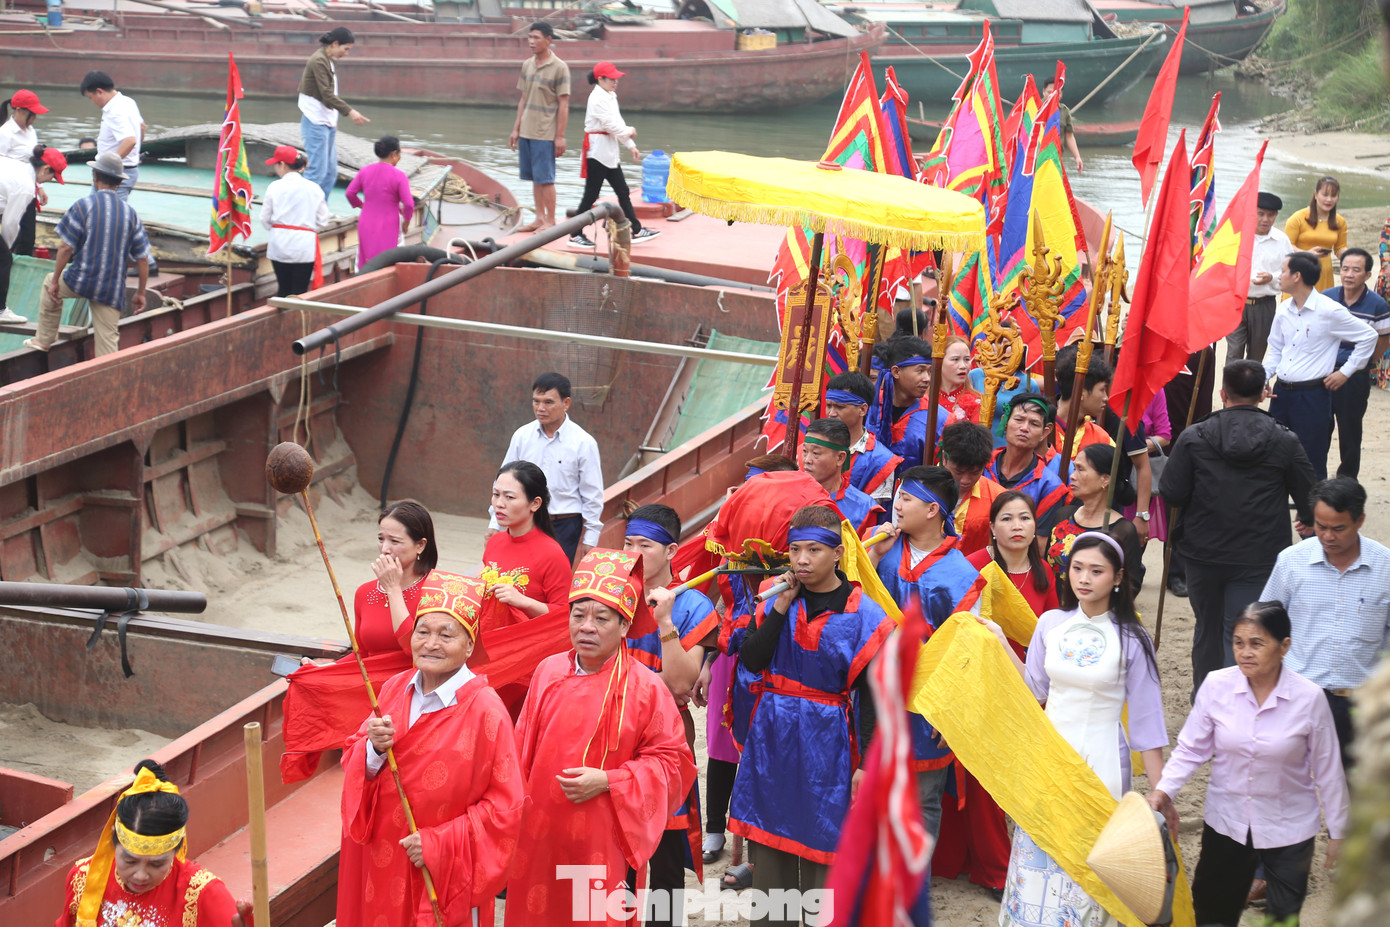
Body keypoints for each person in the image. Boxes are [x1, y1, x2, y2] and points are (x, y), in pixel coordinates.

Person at [505, 549, 696, 926]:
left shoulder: (645, 687)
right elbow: (519, 749)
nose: (586, 627)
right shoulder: (548, 671)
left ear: (625, 626)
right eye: (578, 615)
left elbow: (673, 764)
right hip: (539, 833)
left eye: (601, 618)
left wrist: (611, 781)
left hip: (604, 836)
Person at [730, 505, 895, 924]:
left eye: (814, 551)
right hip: (772, 730)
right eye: (795, 550)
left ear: (838, 553)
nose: (802, 560)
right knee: (771, 835)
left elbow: (874, 694)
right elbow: (751, 657)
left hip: (828, 737)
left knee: (828, 835)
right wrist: (782, 606)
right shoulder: (772, 597)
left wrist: (866, 763)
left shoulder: (865, 614)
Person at [997, 532, 1168, 927]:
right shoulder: (1050, 624)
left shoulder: (1133, 637)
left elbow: (1147, 723)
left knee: (1088, 861)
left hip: (1102, 761)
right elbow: (1034, 690)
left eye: (1096, 570)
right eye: (1077, 568)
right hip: (1049, 757)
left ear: (1119, 577)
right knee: (1037, 852)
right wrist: (999, 643)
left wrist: (1160, 794)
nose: (1084, 578)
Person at [340, 572, 525, 927]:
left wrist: (440, 844)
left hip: (442, 868)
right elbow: (354, 757)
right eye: (422, 632)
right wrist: (373, 750)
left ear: (470, 645)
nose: (431, 644)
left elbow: (506, 806)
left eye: (446, 634)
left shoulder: (486, 710)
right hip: (383, 856)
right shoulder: (394, 688)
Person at [1148, 601, 1348, 927]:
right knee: (1212, 915)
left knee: (1283, 919)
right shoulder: (1216, 686)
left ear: (1284, 646)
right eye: (1239, 643)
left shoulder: (1309, 698)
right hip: (1227, 822)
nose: (1245, 653)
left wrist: (1339, 833)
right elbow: (1190, 749)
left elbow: (1328, 771)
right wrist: (1164, 791)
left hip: (1290, 830)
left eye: (1257, 643)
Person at [1160, 359, 1317, 697]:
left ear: (1222, 393)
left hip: (1203, 552)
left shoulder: (1194, 437)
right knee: (1244, 630)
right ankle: (1238, 703)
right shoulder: (1284, 440)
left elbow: (1171, 492)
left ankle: (1206, 698)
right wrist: (1305, 513)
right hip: (1258, 556)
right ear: (1264, 393)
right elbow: (1309, 494)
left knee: (1207, 627)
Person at [869, 465, 983, 845]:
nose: (896, 505)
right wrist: (870, 557)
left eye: (906, 498)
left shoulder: (961, 574)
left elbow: (968, 649)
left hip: (926, 697)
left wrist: (950, 706)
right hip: (873, 688)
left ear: (933, 509)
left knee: (922, 796)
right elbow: (852, 610)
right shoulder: (882, 550)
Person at [623, 504, 719, 927]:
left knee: (663, 843)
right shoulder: (612, 592)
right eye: (627, 543)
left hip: (665, 732)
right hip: (609, 730)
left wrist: (664, 621)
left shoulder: (692, 604)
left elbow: (679, 684)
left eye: (644, 545)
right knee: (611, 838)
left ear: (671, 550)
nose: (633, 552)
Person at [1259, 477, 1390, 772]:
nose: (1327, 536)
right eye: (1320, 526)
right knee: (1289, 785)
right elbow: (1266, 628)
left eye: (1338, 528)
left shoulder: (1385, 567)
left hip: (1361, 705)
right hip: (1298, 699)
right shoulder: (1291, 562)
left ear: (1360, 521)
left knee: (1355, 791)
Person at [56, 760, 252, 927]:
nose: (140, 876)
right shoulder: (84, 877)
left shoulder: (205, 895)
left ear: (177, 848)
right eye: (130, 861)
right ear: (113, 840)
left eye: (156, 864)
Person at [1264, 251, 1377, 481]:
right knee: (1275, 452)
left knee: (1310, 456)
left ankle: (1313, 510)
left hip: (1313, 395)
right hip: (1282, 393)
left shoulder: (1329, 310)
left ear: (1297, 276)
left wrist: (1345, 372)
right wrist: (1264, 377)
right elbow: (1276, 349)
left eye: (1283, 271)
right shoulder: (1284, 309)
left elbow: (1368, 337)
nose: (1279, 276)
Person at [25, 151, 148, 358]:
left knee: (48, 284)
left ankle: (44, 339)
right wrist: (141, 293)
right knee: (108, 346)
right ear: (119, 182)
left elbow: (65, 248)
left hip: (80, 279)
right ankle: (107, 382)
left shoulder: (83, 206)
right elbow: (142, 258)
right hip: (111, 288)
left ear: (95, 177)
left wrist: (56, 280)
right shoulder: (130, 214)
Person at [488, 371, 603, 565]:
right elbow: (502, 481)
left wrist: (591, 538)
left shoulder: (583, 443)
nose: (540, 408)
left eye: (548, 402)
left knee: (552, 580)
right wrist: (494, 523)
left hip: (563, 525)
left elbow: (592, 493)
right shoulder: (522, 436)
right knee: (516, 574)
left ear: (566, 403)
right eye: (536, 401)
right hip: (524, 520)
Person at [1051, 344, 1153, 545]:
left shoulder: (1102, 438)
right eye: (1101, 390)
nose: (1106, 397)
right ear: (1081, 391)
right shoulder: (1040, 428)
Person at [569, 61, 657, 248]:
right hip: (598, 153)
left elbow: (617, 122)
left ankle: (637, 229)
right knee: (591, 195)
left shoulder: (609, 95)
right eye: (612, 78)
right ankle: (575, 234)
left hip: (608, 151)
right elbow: (611, 125)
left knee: (622, 191)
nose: (616, 81)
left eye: (617, 78)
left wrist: (630, 144)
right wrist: (629, 131)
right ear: (600, 79)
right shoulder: (597, 98)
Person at [1322, 246, 1390, 480]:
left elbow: (1384, 338)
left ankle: (1346, 484)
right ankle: (1314, 484)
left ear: (1368, 275)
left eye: (1356, 270)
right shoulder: (1327, 297)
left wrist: (1367, 362)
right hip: (1322, 372)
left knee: (1350, 432)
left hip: (1354, 377)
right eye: (1345, 269)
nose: (1349, 274)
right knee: (1318, 428)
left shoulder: (1377, 304)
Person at [481, 460, 572, 629]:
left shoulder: (552, 554)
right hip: (486, 641)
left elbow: (566, 615)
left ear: (535, 504)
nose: (499, 504)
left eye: (509, 497)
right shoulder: (495, 542)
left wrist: (524, 602)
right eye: (496, 494)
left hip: (524, 648)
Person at [1047, 443, 1142, 597]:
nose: (1072, 475)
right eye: (1074, 468)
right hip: (1056, 613)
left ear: (1105, 479)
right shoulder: (1063, 516)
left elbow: (1131, 586)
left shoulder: (1122, 531)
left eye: (1080, 469)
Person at [353, 500, 438, 655]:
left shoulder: (435, 592)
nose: (385, 549)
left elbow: (416, 650)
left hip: (410, 678)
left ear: (420, 545)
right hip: (367, 678)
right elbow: (360, 654)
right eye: (381, 539)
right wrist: (323, 668)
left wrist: (393, 589)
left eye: (394, 541)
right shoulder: (364, 592)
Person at [509, 22, 570, 233]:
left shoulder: (559, 67)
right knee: (535, 178)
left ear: (548, 40)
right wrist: (516, 129)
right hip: (527, 130)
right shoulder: (527, 65)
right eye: (529, 38)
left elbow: (564, 104)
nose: (531, 42)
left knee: (546, 179)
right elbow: (523, 98)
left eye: (536, 38)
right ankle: (539, 218)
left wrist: (560, 137)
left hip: (545, 133)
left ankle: (551, 221)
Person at [297, 26, 369, 201]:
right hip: (315, 122)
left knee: (330, 173)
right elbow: (327, 95)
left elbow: (330, 93)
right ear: (335, 44)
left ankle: (321, 210)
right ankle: (301, 209)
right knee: (316, 172)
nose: (347, 53)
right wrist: (350, 112)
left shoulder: (328, 60)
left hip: (325, 122)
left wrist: (332, 119)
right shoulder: (318, 61)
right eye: (346, 49)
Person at [984, 395, 1068, 539]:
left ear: (1045, 432)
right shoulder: (981, 466)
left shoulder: (1049, 486)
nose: (1024, 428)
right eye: (1018, 420)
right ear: (1005, 421)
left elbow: (1040, 544)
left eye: (1034, 424)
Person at [966, 490, 1059, 619]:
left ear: (1035, 526)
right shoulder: (972, 566)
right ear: (993, 528)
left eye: (1025, 518)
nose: (1017, 526)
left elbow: (1051, 625)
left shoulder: (1043, 569)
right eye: (1007, 519)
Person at [0, 146, 63, 322]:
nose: (50, 180)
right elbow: (10, 224)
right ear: (44, 169)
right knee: (4, 258)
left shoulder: (18, 165)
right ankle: (0, 311)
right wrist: (7, 248)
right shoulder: (26, 187)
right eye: (52, 176)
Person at [1228, 191, 1292, 361]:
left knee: (1256, 355)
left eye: (1270, 215)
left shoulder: (1282, 240)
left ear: (1276, 215)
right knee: (1234, 352)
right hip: (1236, 302)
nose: (1265, 219)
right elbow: (1222, 268)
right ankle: (1228, 388)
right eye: (1261, 214)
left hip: (1265, 305)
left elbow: (1290, 275)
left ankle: (1251, 388)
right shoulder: (1236, 236)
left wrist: (1271, 277)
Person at [260, 145, 330, 298]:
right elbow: (324, 221)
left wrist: (278, 228)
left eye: (276, 164)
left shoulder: (274, 187)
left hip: (279, 245)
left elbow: (264, 219)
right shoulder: (314, 188)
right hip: (304, 246)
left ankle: (282, 319)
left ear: (283, 165)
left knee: (283, 289)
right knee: (300, 292)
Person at [867, 336, 945, 474]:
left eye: (930, 371)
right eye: (920, 371)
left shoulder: (940, 419)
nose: (927, 379)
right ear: (896, 372)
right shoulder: (867, 406)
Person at [823, 370, 902, 502]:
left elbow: (875, 514)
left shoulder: (881, 461)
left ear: (863, 410)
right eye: (829, 406)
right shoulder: (809, 449)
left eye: (839, 407)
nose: (831, 413)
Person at [801, 416, 883, 535]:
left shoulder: (864, 509)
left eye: (816, 453)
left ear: (840, 458)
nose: (807, 460)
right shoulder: (790, 494)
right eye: (805, 451)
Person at [345, 135, 414, 270]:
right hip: (389, 222)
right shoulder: (399, 175)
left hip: (366, 220)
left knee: (365, 256)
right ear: (394, 154)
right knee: (390, 258)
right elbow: (409, 204)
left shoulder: (365, 171)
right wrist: (406, 222)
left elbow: (350, 193)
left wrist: (362, 205)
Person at [0, 89, 51, 265]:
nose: (35, 118)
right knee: (9, 230)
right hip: (9, 192)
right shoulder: (6, 133)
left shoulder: (31, 131)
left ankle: (15, 271)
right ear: (20, 110)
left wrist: (40, 187)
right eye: (33, 114)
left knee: (28, 237)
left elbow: (34, 162)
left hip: (28, 190)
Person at [938, 421, 1003, 557]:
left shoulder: (998, 498)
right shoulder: (918, 488)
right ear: (944, 457)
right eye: (959, 472)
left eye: (974, 473)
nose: (965, 480)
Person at [79, 71, 143, 202]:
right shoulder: (128, 102)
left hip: (112, 174)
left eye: (91, 97)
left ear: (99, 92)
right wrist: (135, 154)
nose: (92, 102)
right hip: (121, 169)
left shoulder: (114, 111)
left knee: (108, 214)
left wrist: (110, 166)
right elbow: (142, 127)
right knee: (98, 210)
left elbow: (130, 140)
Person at [1284, 175, 1347, 291]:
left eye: (1333, 196)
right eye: (1325, 195)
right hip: (1299, 274)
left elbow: (1340, 248)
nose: (1329, 199)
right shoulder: (1297, 218)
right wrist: (1306, 253)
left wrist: (1351, 255)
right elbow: (1286, 246)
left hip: (1324, 275)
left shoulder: (1340, 221)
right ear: (1316, 194)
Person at [939, 334, 982, 424]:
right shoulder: (924, 398)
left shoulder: (977, 401)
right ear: (939, 361)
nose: (963, 366)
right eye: (955, 359)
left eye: (967, 359)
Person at [1043, 77, 1083, 172]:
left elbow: (1069, 136)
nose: (1052, 96)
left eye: (1057, 93)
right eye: (1049, 92)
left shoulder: (1064, 112)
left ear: (1061, 94)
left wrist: (1077, 157)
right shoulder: (1034, 108)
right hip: (1036, 161)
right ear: (1043, 91)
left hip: (1055, 159)